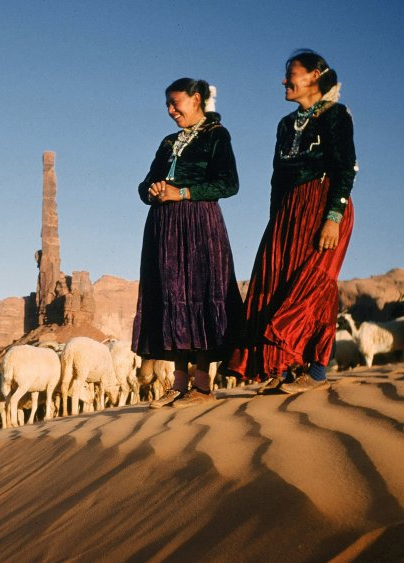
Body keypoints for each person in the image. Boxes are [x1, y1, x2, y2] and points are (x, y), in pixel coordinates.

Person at [225, 49, 357, 394]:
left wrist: (333, 217)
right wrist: (275, 223)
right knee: (278, 282)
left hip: (323, 203)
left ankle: (315, 368)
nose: (285, 81)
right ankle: (285, 366)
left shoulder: (336, 115)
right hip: (288, 212)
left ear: (314, 75)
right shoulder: (286, 125)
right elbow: (276, 178)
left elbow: (345, 168)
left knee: (313, 282)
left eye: (292, 74)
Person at [131, 77, 243, 408]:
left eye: (175, 102)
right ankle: (179, 383)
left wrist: (182, 193)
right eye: (167, 104)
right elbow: (145, 183)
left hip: (199, 223)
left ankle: (203, 384)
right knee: (172, 297)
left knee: (201, 294)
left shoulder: (216, 136)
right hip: (164, 227)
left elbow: (229, 184)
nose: (170, 110)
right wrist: (152, 191)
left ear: (196, 99)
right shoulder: (168, 142)